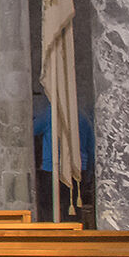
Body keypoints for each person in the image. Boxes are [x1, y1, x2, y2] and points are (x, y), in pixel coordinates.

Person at [31, 92, 95, 221]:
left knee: (48, 207)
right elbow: (91, 148)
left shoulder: (50, 114)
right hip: (78, 169)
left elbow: (31, 130)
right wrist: (89, 173)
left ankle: (51, 231)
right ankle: (73, 231)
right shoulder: (82, 117)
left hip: (52, 168)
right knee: (72, 209)